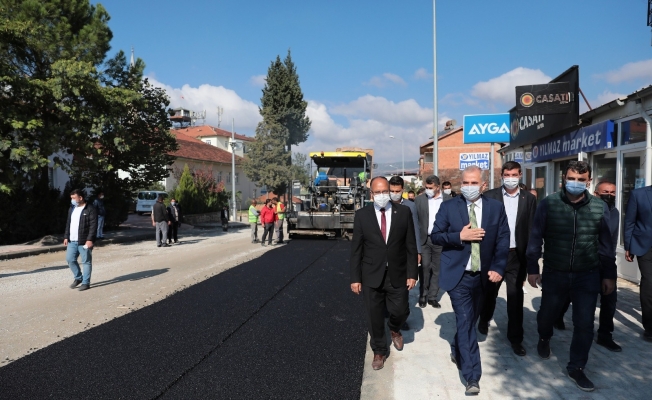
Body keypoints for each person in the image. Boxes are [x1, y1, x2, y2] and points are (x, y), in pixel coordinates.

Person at [526, 160, 616, 392]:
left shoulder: (599, 207)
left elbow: (606, 245)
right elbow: (535, 237)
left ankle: (577, 367)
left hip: (587, 274)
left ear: (589, 181)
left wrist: (609, 275)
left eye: (581, 179)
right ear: (564, 179)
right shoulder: (549, 204)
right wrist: (532, 267)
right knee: (547, 315)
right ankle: (544, 337)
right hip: (555, 271)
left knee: (584, 324)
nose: (575, 183)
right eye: (572, 178)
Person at [431, 166, 509, 395]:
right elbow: (435, 236)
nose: (468, 186)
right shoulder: (448, 207)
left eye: (473, 183)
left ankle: (458, 348)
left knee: (470, 321)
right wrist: (459, 236)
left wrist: (498, 267)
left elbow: (503, 239)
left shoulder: (496, 208)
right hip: (458, 276)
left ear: (483, 185)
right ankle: (472, 376)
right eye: (465, 182)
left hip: (483, 276)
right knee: (465, 323)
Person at [350, 176, 418, 371]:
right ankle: (379, 350)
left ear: (390, 191)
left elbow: (410, 245)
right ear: (371, 194)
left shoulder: (403, 212)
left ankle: (394, 328)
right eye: (377, 192)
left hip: (397, 272)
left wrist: (412, 273)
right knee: (374, 316)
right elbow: (356, 249)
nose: (381, 195)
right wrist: (355, 278)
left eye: (384, 191)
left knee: (401, 310)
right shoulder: (362, 215)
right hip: (371, 274)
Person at [477, 161, 536, 356]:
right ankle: (484, 318)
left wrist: (531, 259)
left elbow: (531, 229)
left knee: (515, 297)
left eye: (514, 175)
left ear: (520, 175)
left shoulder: (529, 199)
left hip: (517, 256)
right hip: (495, 255)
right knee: (489, 293)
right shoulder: (489, 196)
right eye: (507, 175)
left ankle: (516, 338)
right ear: (502, 175)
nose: (510, 178)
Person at [554, 181, 621, 351]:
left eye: (613, 192)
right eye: (605, 192)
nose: (609, 195)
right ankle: (558, 316)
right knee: (569, 294)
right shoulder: (585, 209)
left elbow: (612, 241)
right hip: (584, 261)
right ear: (596, 193)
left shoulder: (615, 212)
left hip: (605, 262)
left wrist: (610, 265)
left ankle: (605, 335)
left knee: (610, 299)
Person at [415, 175, 451, 308]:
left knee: (437, 269)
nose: (428, 190)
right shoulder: (419, 200)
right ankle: (423, 295)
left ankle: (432, 296)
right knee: (425, 267)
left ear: (438, 187)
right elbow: (415, 221)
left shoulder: (448, 200)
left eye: (431, 188)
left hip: (441, 240)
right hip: (425, 239)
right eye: (426, 187)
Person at [624, 183, 652, 343]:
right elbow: (629, 221)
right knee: (649, 283)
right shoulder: (638, 194)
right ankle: (650, 327)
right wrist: (628, 246)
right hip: (645, 246)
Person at [64, 189, 98, 291]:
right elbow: (68, 223)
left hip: (84, 241)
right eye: (71, 198)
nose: (72, 200)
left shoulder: (90, 209)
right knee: (70, 259)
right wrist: (66, 236)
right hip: (72, 240)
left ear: (81, 198)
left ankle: (86, 283)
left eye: (74, 198)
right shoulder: (72, 208)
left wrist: (90, 239)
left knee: (86, 262)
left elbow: (93, 225)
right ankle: (78, 277)